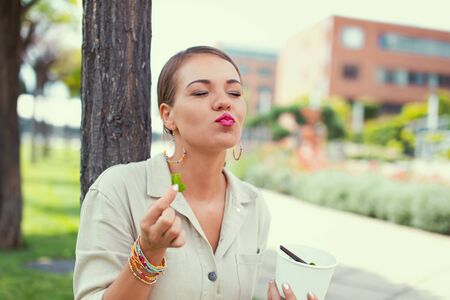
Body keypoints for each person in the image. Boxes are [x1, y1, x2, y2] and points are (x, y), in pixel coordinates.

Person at [73, 46, 317, 300]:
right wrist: (147, 254)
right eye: (201, 92)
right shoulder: (117, 189)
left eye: (234, 92)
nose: (224, 102)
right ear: (168, 116)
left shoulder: (254, 206)